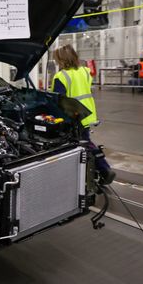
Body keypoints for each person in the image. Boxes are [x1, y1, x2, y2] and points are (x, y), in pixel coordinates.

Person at [51, 45, 115, 185]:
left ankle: (103, 169)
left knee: (78, 144)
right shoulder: (85, 71)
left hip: (73, 116)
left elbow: (58, 100)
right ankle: (95, 171)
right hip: (88, 113)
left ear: (60, 59)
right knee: (85, 141)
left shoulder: (61, 76)